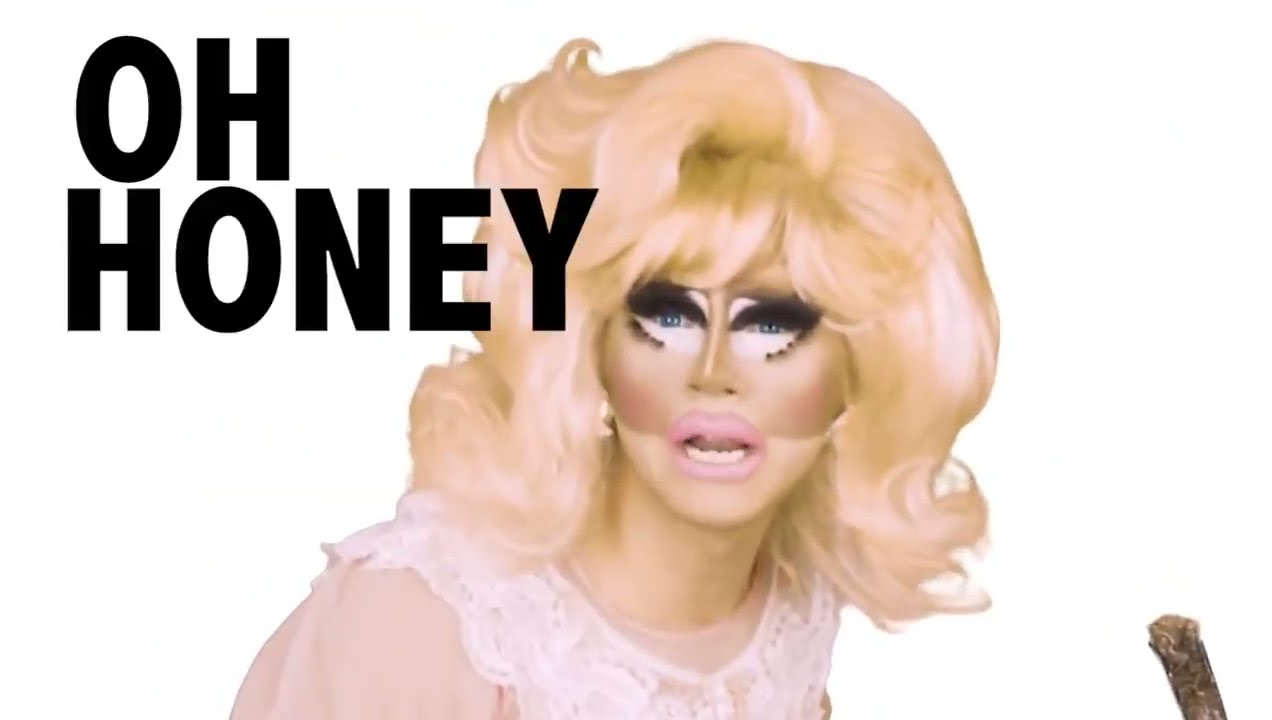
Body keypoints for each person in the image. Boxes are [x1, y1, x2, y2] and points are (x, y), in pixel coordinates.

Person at [230, 37, 999, 720]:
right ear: (589, 342)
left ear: (867, 363)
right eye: (667, 315)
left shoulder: (784, 616)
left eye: (772, 324)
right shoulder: (425, 621)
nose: (713, 372)